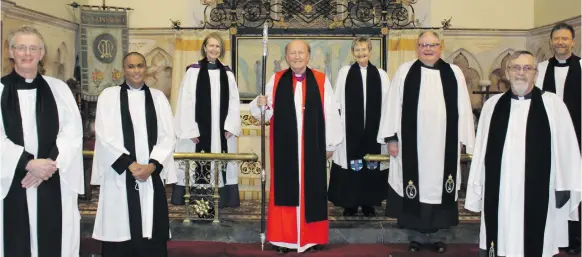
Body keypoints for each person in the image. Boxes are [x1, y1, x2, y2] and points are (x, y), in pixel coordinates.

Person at [466, 50, 581, 257]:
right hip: (502, 189)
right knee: (500, 238)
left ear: (535, 74)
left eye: (527, 68)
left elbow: (568, 149)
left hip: (541, 188)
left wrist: (565, 185)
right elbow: (482, 150)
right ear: (507, 73)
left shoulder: (552, 104)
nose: (521, 73)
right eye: (516, 68)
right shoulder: (493, 106)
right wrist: (478, 182)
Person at [377, 30, 475, 253]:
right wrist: (392, 138)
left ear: (441, 47)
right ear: (417, 47)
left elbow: (463, 108)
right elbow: (392, 106)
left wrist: (463, 140)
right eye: (423, 45)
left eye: (432, 45)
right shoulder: (405, 71)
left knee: (440, 189)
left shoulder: (454, 72)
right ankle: (416, 237)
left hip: (444, 146)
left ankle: (437, 236)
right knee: (413, 188)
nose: (428, 49)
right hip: (412, 146)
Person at [249, 40, 343, 253]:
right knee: (285, 190)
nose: (297, 56)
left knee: (312, 190)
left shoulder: (320, 80)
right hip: (285, 148)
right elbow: (265, 112)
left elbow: (331, 112)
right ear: (286, 56)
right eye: (293, 53)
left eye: (301, 53)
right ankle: (284, 240)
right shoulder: (276, 79)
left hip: (313, 146)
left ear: (308, 56)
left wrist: (330, 143)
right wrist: (260, 104)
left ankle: (310, 238)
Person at [0, 25, 84, 257]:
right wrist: (27, 163)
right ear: (11, 51)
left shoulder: (59, 90)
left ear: (41, 53)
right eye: (21, 48)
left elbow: (72, 132)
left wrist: (48, 164)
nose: (27, 53)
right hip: (11, 179)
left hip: (53, 176)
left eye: (33, 48)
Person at [91, 52, 177, 257]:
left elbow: (168, 136)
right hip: (120, 175)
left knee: (151, 229)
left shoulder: (158, 98)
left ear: (145, 69)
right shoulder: (109, 96)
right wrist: (129, 164)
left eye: (140, 66)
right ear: (124, 70)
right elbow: (103, 135)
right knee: (120, 229)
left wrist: (152, 165)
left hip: (150, 175)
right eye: (131, 66)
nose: (136, 70)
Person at [172, 32, 241, 209]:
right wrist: (191, 130)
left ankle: (219, 203)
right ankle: (198, 206)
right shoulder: (193, 72)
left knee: (219, 163)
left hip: (220, 132)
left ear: (221, 50)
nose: (214, 49)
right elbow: (185, 102)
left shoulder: (227, 73)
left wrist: (230, 126)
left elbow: (234, 101)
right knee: (198, 166)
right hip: (197, 131)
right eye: (211, 45)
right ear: (204, 47)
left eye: (217, 46)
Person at [328, 36, 390, 217]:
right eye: (357, 50)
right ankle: (350, 203)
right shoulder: (345, 72)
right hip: (350, 131)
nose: (361, 53)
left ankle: (369, 203)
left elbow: (387, 104)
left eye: (364, 49)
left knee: (371, 163)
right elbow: (337, 101)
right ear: (353, 52)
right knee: (352, 163)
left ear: (370, 51)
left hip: (373, 130)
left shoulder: (380, 75)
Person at [535, 23, 581, 255]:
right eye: (556, 39)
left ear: (573, 41)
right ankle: (551, 234)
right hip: (548, 140)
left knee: (575, 185)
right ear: (551, 42)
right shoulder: (541, 69)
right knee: (549, 186)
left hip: (579, 140)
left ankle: (576, 236)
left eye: (565, 39)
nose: (560, 43)